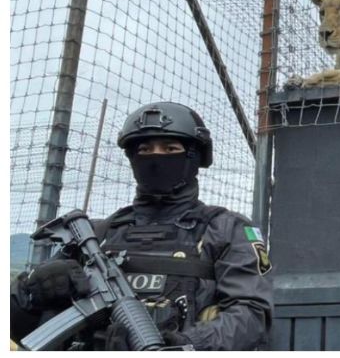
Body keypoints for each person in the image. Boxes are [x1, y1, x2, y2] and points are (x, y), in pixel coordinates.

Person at [10, 102, 274, 351]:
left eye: (170, 149)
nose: (156, 158)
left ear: (195, 157)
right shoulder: (95, 236)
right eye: (144, 150)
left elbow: (252, 314)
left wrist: (183, 344)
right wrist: (31, 291)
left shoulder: (226, 230)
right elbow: (19, 324)